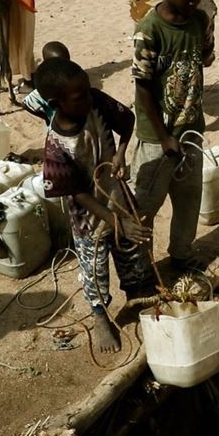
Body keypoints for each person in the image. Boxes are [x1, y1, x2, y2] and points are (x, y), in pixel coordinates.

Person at [35, 57, 155, 353]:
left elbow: (127, 123)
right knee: (94, 267)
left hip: (119, 197)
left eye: (89, 91)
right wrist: (116, 222)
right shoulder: (56, 146)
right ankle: (101, 317)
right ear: (57, 102)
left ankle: (139, 295)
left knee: (133, 254)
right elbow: (77, 193)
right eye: (80, 97)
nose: (88, 98)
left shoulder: (94, 103)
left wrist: (121, 153)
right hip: (88, 216)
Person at [130, 0, 215, 272]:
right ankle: (142, 268)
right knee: (146, 204)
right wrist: (164, 138)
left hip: (191, 131)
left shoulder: (198, 21)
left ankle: (181, 255)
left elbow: (205, 57)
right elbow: (143, 87)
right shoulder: (149, 30)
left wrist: (206, 27)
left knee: (189, 199)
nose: (194, 2)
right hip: (158, 137)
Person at [23, 41, 72, 126]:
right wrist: (46, 116)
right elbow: (26, 104)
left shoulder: (73, 81)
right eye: (59, 66)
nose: (64, 69)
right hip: (56, 131)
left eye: (66, 64)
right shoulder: (45, 88)